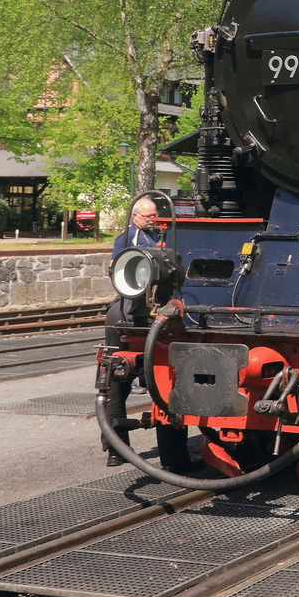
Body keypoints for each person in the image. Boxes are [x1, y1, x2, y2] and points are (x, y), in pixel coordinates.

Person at [102, 197, 193, 472]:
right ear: (135, 216)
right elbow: (117, 267)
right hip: (136, 312)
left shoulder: (153, 234)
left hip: (132, 312)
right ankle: (127, 449)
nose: (153, 218)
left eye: (156, 214)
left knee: (119, 383)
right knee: (143, 381)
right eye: (148, 215)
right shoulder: (129, 237)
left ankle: (117, 448)